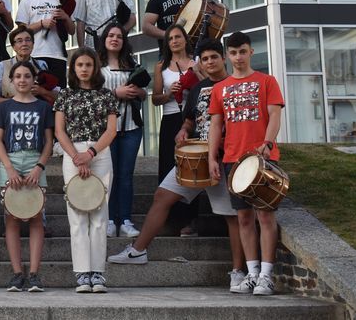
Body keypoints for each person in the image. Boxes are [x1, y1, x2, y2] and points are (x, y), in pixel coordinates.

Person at [108, 39, 247, 295]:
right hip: (196, 157)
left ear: (223, 58)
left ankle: (238, 272)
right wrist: (183, 131)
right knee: (162, 195)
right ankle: (138, 250)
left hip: (225, 160)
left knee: (231, 216)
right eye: (204, 59)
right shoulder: (198, 88)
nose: (209, 63)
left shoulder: (235, 87)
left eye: (214, 57)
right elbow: (191, 119)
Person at [208, 31, 285, 297]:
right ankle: (251, 274)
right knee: (243, 218)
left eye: (242, 51)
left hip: (262, 159)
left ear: (251, 52)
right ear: (228, 56)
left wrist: (267, 143)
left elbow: (274, 115)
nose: (238, 57)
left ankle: (266, 276)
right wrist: (211, 157)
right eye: (233, 53)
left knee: (265, 216)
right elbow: (216, 125)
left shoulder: (267, 81)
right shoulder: (220, 88)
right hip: (233, 160)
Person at [53, 47, 119, 293]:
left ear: (95, 68)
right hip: (72, 154)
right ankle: (82, 273)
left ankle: (98, 273)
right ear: (73, 68)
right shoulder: (65, 95)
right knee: (78, 215)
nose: (83, 69)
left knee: (100, 215)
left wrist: (89, 154)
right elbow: (59, 131)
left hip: (99, 154)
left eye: (88, 65)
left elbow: (111, 131)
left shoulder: (106, 95)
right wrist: (77, 157)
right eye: (79, 65)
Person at [0, 62, 54, 292]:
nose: (22, 80)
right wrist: (8, 168)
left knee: (37, 217)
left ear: (33, 79)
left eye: (27, 76)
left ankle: (35, 274)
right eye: (17, 76)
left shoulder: (43, 107)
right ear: (11, 80)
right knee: (12, 218)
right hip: (12, 161)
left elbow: (49, 141)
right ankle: (17, 273)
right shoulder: (4, 107)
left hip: (35, 160)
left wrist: (39, 166)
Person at [98, 22, 146, 238]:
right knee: (108, 175)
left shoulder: (132, 63)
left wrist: (138, 92)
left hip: (131, 126)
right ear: (104, 39)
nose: (115, 39)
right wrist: (115, 93)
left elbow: (144, 95)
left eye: (119, 36)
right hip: (106, 130)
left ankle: (125, 220)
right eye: (111, 35)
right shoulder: (96, 66)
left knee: (125, 175)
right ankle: (108, 219)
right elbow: (90, 97)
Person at [152, 24, 198, 236]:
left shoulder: (195, 62)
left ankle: (190, 219)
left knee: (191, 168)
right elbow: (155, 99)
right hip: (170, 118)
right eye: (170, 38)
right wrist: (170, 93)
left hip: (192, 118)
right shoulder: (161, 66)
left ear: (185, 39)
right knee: (168, 166)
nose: (174, 41)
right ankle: (170, 219)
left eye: (178, 37)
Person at [16, 0, 73, 84]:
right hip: (34, 55)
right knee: (35, 94)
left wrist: (66, 17)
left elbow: (72, 30)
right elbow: (21, 32)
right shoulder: (26, 2)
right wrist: (42, 23)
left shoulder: (60, 0)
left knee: (57, 96)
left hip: (58, 55)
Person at [0, 26, 59, 105]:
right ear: (13, 47)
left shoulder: (41, 65)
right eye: (19, 41)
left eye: (28, 40)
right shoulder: (2, 66)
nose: (24, 44)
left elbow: (57, 94)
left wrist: (42, 91)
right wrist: (16, 101)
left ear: (33, 44)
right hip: (10, 111)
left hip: (36, 111)